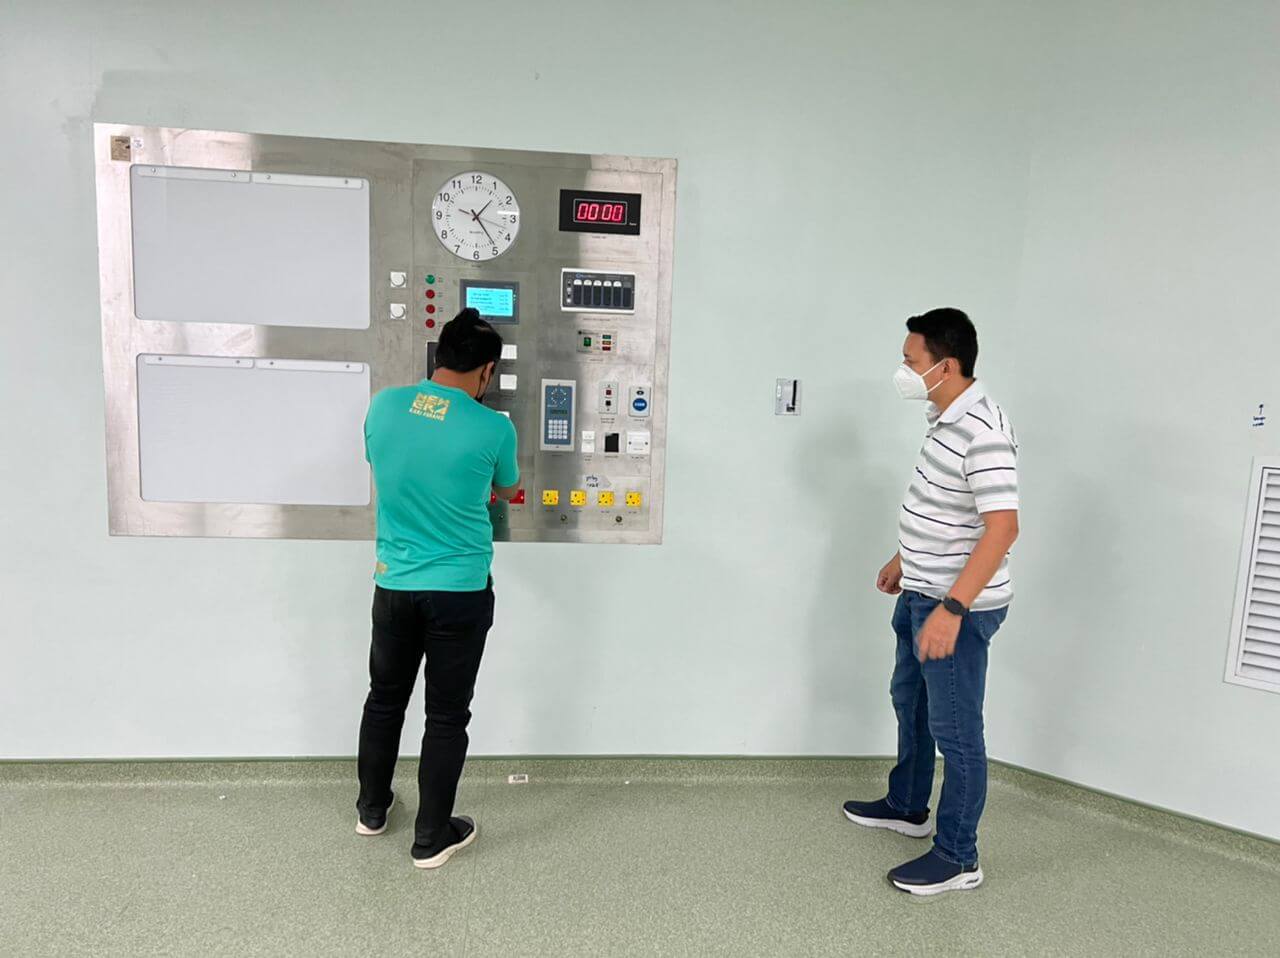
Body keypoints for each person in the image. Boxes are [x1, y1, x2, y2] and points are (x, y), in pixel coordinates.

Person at [843, 307, 1020, 896]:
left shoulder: (984, 431)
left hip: (954, 609)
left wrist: (953, 609)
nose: (903, 369)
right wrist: (904, 559)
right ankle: (907, 805)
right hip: (921, 589)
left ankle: (958, 856)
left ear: (945, 366)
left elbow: (1002, 528)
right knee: (911, 701)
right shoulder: (945, 418)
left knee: (957, 731)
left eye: (910, 360)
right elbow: (943, 508)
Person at [354, 307, 520, 869]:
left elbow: (380, 459)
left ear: (438, 356)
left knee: (384, 699)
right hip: (459, 593)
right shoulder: (493, 427)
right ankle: (431, 837)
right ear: (487, 371)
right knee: (446, 717)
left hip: (394, 585)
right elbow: (507, 488)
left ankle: (372, 810)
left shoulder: (384, 406)